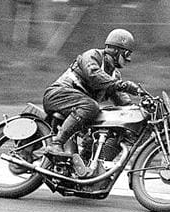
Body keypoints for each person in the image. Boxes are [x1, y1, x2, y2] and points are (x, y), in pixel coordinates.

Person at [42, 28, 141, 174]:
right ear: (116, 50)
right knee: (91, 106)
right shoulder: (92, 56)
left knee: (102, 128)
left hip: (77, 107)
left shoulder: (114, 74)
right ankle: (56, 143)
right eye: (127, 54)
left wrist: (139, 111)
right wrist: (123, 85)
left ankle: (83, 169)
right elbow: (93, 75)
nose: (128, 59)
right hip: (58, 95)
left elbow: (123, 102)